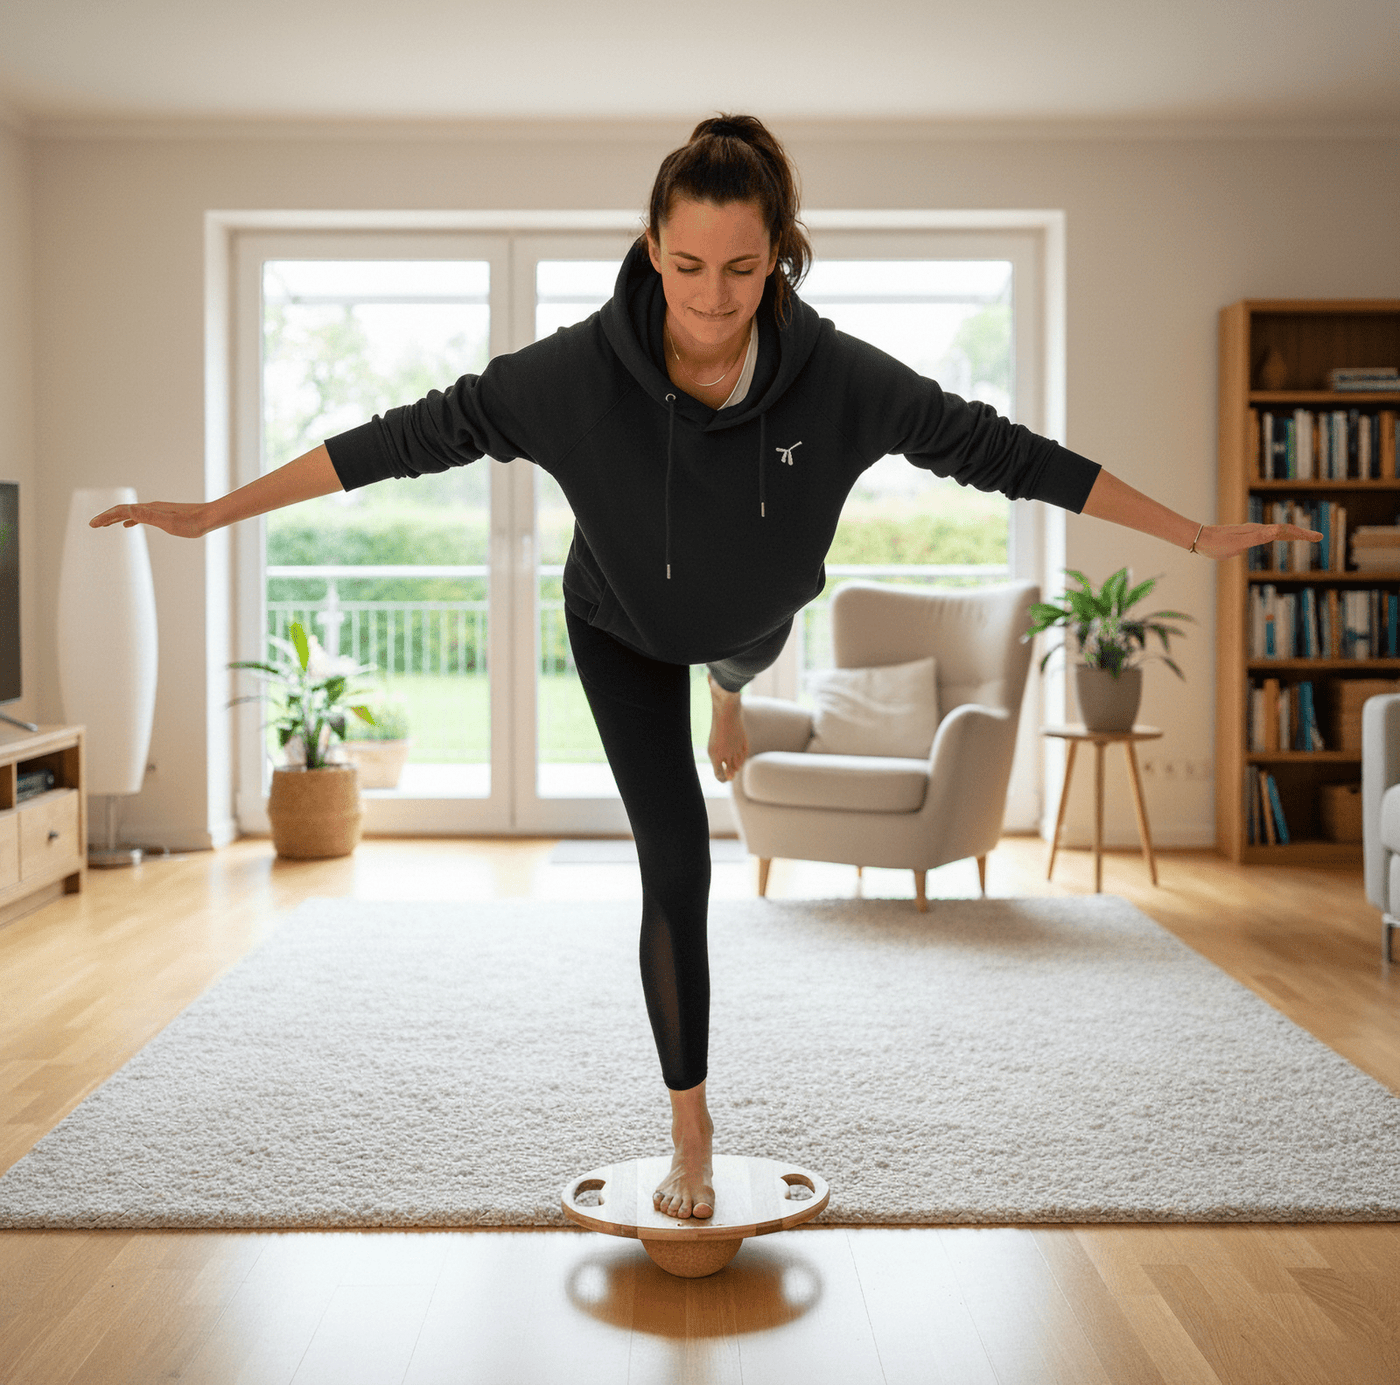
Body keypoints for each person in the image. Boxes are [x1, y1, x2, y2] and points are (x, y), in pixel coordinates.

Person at [91, 114, 1320, 1222]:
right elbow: (405, 435)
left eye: (741, 268)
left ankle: (728, 695)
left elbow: (1003, 451)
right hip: (617, 623)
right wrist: (216, 510)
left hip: (755, 617)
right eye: (686, 266)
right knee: (674, 860)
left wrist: (1194, 533)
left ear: (778, 252)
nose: (710, 297)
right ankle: (690, 1115)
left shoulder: (839, 377)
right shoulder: (571, 376)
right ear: (649, 245)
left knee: (738, 653)